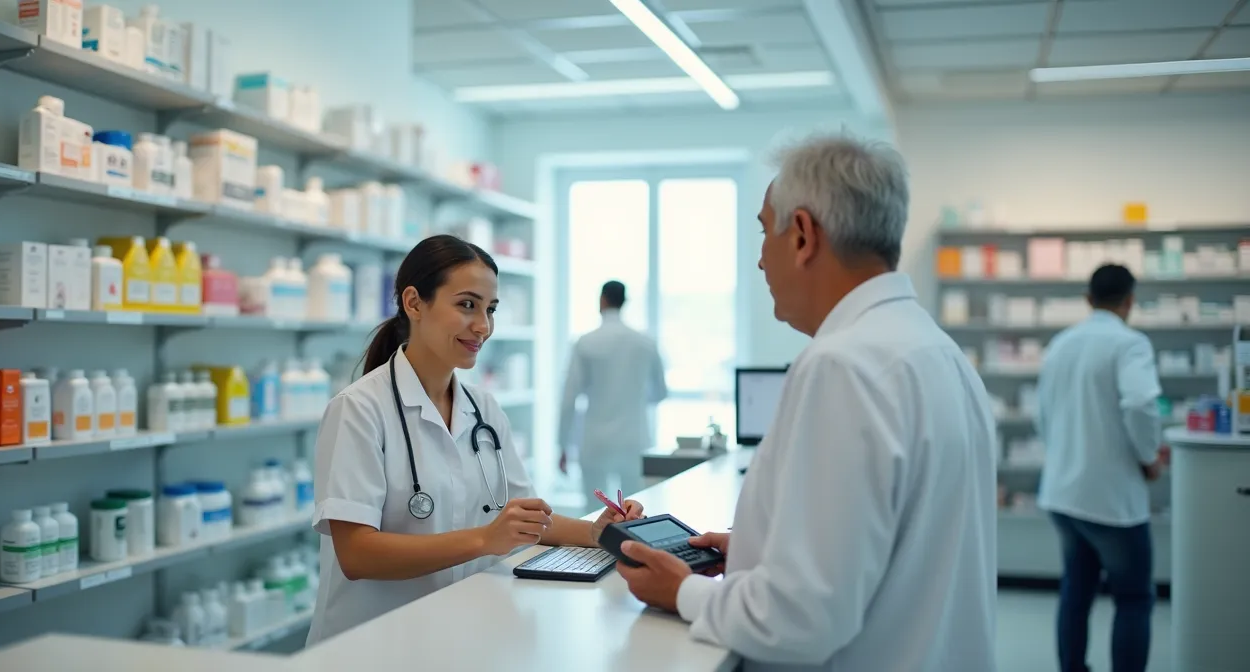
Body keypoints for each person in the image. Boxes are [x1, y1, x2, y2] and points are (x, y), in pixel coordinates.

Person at [614, 136, 998, 671]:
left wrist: (683, 591)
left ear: (801, 235)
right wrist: (763, 550)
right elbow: (899, 542)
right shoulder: (940, 353)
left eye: (763, 232)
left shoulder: (843, 365)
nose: (759, 260)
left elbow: (802, 619)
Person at [306, 235, 644, 645]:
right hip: (369, 647)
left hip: (456, 633)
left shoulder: (483, 408)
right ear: (414, 303)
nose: (483, 326)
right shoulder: (358, 409)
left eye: (490, 309)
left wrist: (597, 532)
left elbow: (525, 520)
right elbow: (357, 554)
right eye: (467, 305)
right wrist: (485, 539)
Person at [1037, 264, 1164, 672]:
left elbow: (1042, 415)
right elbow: (1141, 403)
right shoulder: (1130, 343)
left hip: (1063, 494)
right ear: (1130, 301)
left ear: (1088, 299)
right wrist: (1148, 457)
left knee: (1076, 592)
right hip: (1111, 501)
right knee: (1134, 598)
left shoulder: (1060, 344)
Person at [558, 280, 667, 507]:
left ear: (602, 300)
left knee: (594, 514)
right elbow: (660, 393)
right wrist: (633, 398)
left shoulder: (585, 342)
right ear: (624, 301)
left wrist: (563, 444)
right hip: (634, 440)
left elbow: (569, 399)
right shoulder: (645, 342)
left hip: (596, 442)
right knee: (634, 512)